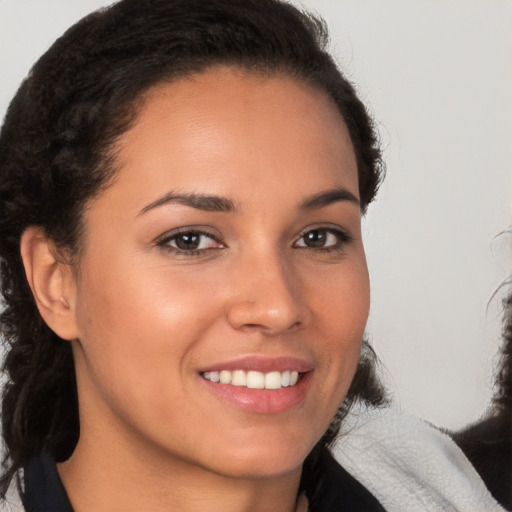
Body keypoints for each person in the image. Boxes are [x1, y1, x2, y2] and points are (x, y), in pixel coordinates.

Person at [0, 1, 504, 511]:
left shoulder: (431, 483)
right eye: (190, 240)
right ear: (56, 280)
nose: (278, 306)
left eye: (319, 237)